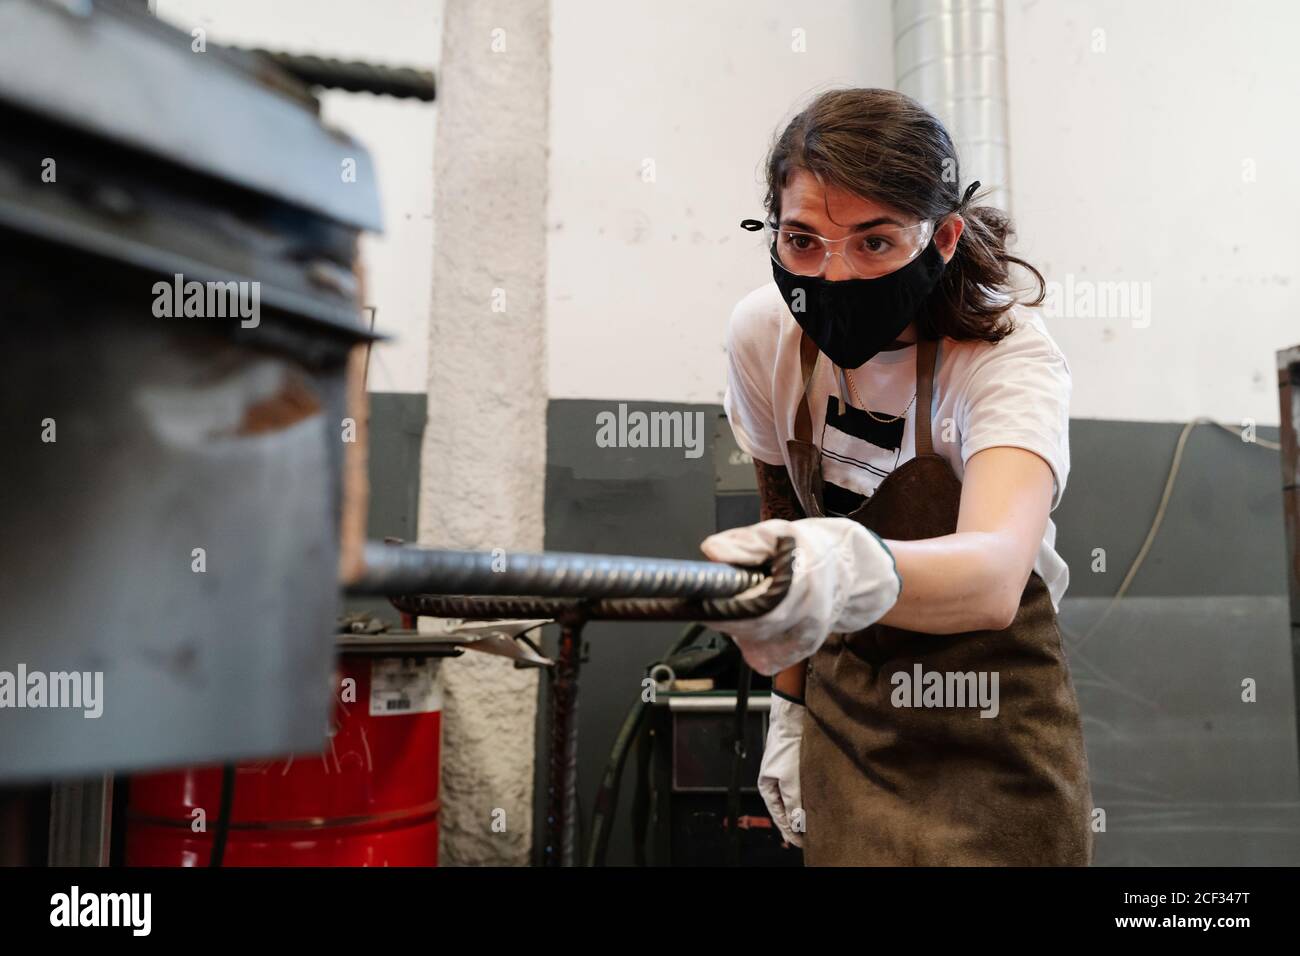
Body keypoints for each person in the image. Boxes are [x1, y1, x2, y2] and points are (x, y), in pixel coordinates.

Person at [700, 88, 1093, 866]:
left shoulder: (1006, 357)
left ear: (941, 238)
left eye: (875, 242)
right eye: (801, 240)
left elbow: (992, 578)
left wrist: (845, 563)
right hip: (847, 710)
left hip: (994, 718)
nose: (834, 273)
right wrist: (789, 709)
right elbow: (784, 514)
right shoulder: (762, 337)